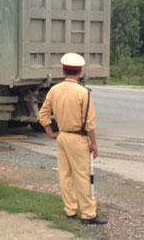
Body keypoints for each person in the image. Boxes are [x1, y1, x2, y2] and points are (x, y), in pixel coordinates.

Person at [39, 53, 107, 225]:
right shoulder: (83, 93)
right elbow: (89, 124)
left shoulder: (54, 90)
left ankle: (70, 209)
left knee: (64, 174)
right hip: (78, 137)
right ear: (80, 72)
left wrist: (50, 132)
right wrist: (94, 143)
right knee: (83, 176)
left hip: (62, 136)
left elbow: (43, 114)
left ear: (63, 71)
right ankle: (88, 213)